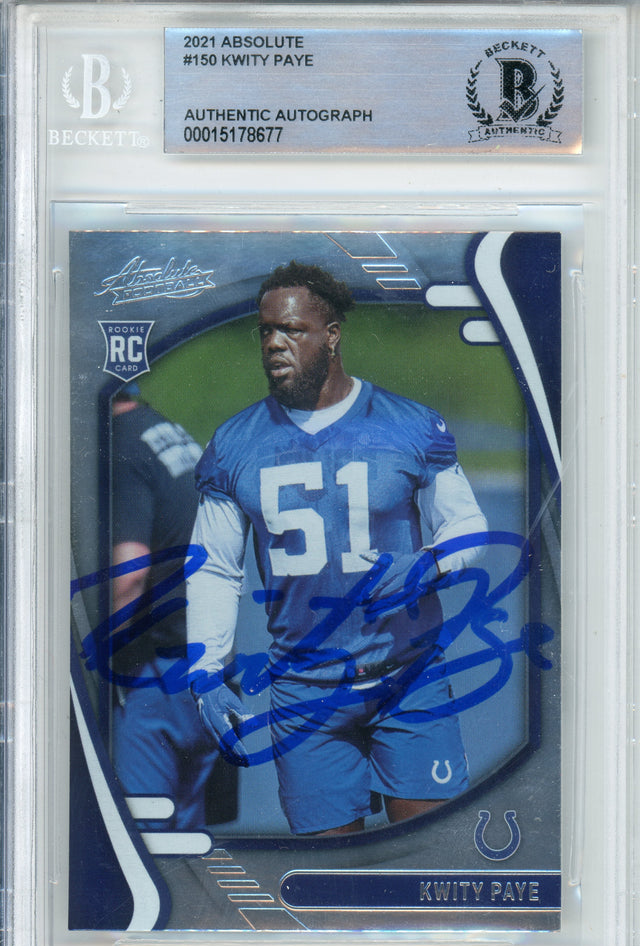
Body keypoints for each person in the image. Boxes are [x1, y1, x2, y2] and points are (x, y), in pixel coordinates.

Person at [187, 261, 488, 836]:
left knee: (428, 860)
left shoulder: (409, 424)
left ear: (331, 335)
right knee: (331, 877)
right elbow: (215, 569)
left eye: (292, 329)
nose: (275, 342)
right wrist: (205, 671)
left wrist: (429, 565)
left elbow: (468, 525)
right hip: (305, 691)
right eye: (266, 330)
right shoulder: (233, 444)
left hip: (408, 676)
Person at [110, 383, 219, 830]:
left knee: (142, 841)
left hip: (155, 678)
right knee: (186, 841)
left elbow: (129, 575)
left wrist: (87, 656)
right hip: (207, 668)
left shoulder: (121, 445)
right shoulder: (168, 431)